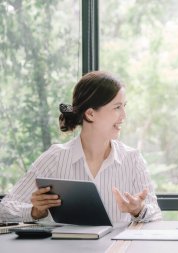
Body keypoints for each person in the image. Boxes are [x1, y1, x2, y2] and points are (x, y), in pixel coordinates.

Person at [0, 71, 162, 226]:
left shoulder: (132, 159)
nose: (124, 115)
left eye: (124, 106)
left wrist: (138, 210)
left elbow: (155, 214)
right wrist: (35, 212)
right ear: (90, 114)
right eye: (117, 107)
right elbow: (4, 209)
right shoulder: (55, 158)